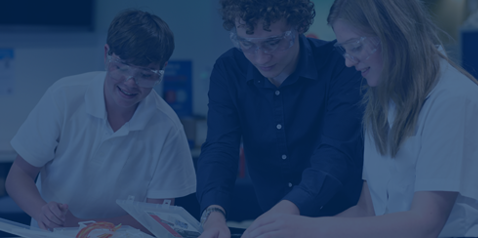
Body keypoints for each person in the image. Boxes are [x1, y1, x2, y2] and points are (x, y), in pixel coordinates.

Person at [241, 0, 478, 237]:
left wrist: (310, 228)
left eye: (355, 47)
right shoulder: (381, 99)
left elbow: (426, 223)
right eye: (344, 49)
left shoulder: (452, 98)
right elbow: (367, 209)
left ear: (394, 33)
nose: (348, 61)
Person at [5, 9, 196, 234]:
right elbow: (18, 176)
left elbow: (158, 217)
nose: (130, 83)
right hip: (54, 233)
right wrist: (42, 211)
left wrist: (82, 225)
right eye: (122, 67)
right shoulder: (64, 97)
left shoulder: (167, 127)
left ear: (161, 70)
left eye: (145, 74)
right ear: (107, 55)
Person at [196, 0, 365, 237]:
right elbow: (220, 147)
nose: (261, 58)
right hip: (275, 223)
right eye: (247, 43)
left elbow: (336, 152)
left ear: (299, 25)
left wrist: (287, 210)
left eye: (273, 42)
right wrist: (213, 215)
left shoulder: (339, 64)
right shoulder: (229, 69)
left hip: (342, 222)